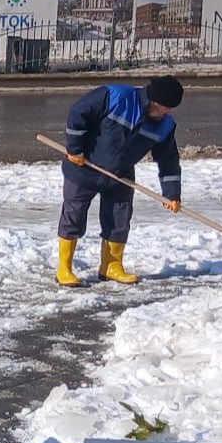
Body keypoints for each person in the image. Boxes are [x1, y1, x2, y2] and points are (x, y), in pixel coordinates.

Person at [56, 75, 184, 286]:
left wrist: (171, 194)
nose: (168, 113)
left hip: (120, 176)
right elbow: (78, 112)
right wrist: (75, 149)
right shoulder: (116, 96)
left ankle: (111, 267)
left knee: (119, 221)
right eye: (167, 108)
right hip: (83, 167)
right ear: (156, 102)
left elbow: (168, 160)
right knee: (74, 216)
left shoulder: (165, 125)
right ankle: (65, 268)